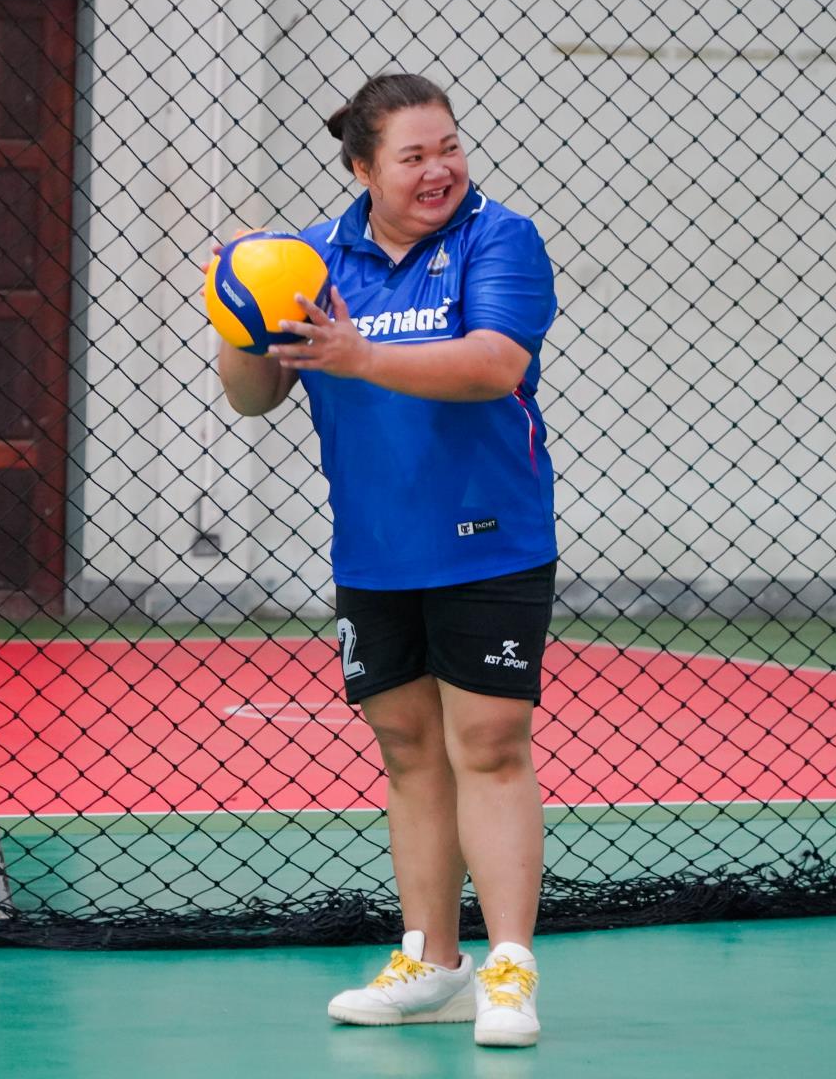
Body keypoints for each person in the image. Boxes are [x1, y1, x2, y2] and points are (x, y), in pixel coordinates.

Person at [215, 73, 559, 1049]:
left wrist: (360, 354)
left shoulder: (499, 239)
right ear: (364, 169)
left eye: (448, 147)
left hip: (489, 536)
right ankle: (432, 962)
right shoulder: (314, 260)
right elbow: (253, 398)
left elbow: (494, 364)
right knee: (408, 753)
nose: (440, 169)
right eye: (413, 156)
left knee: (488, 745)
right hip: (374, 546)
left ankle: (509, 970)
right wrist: (240, 311)